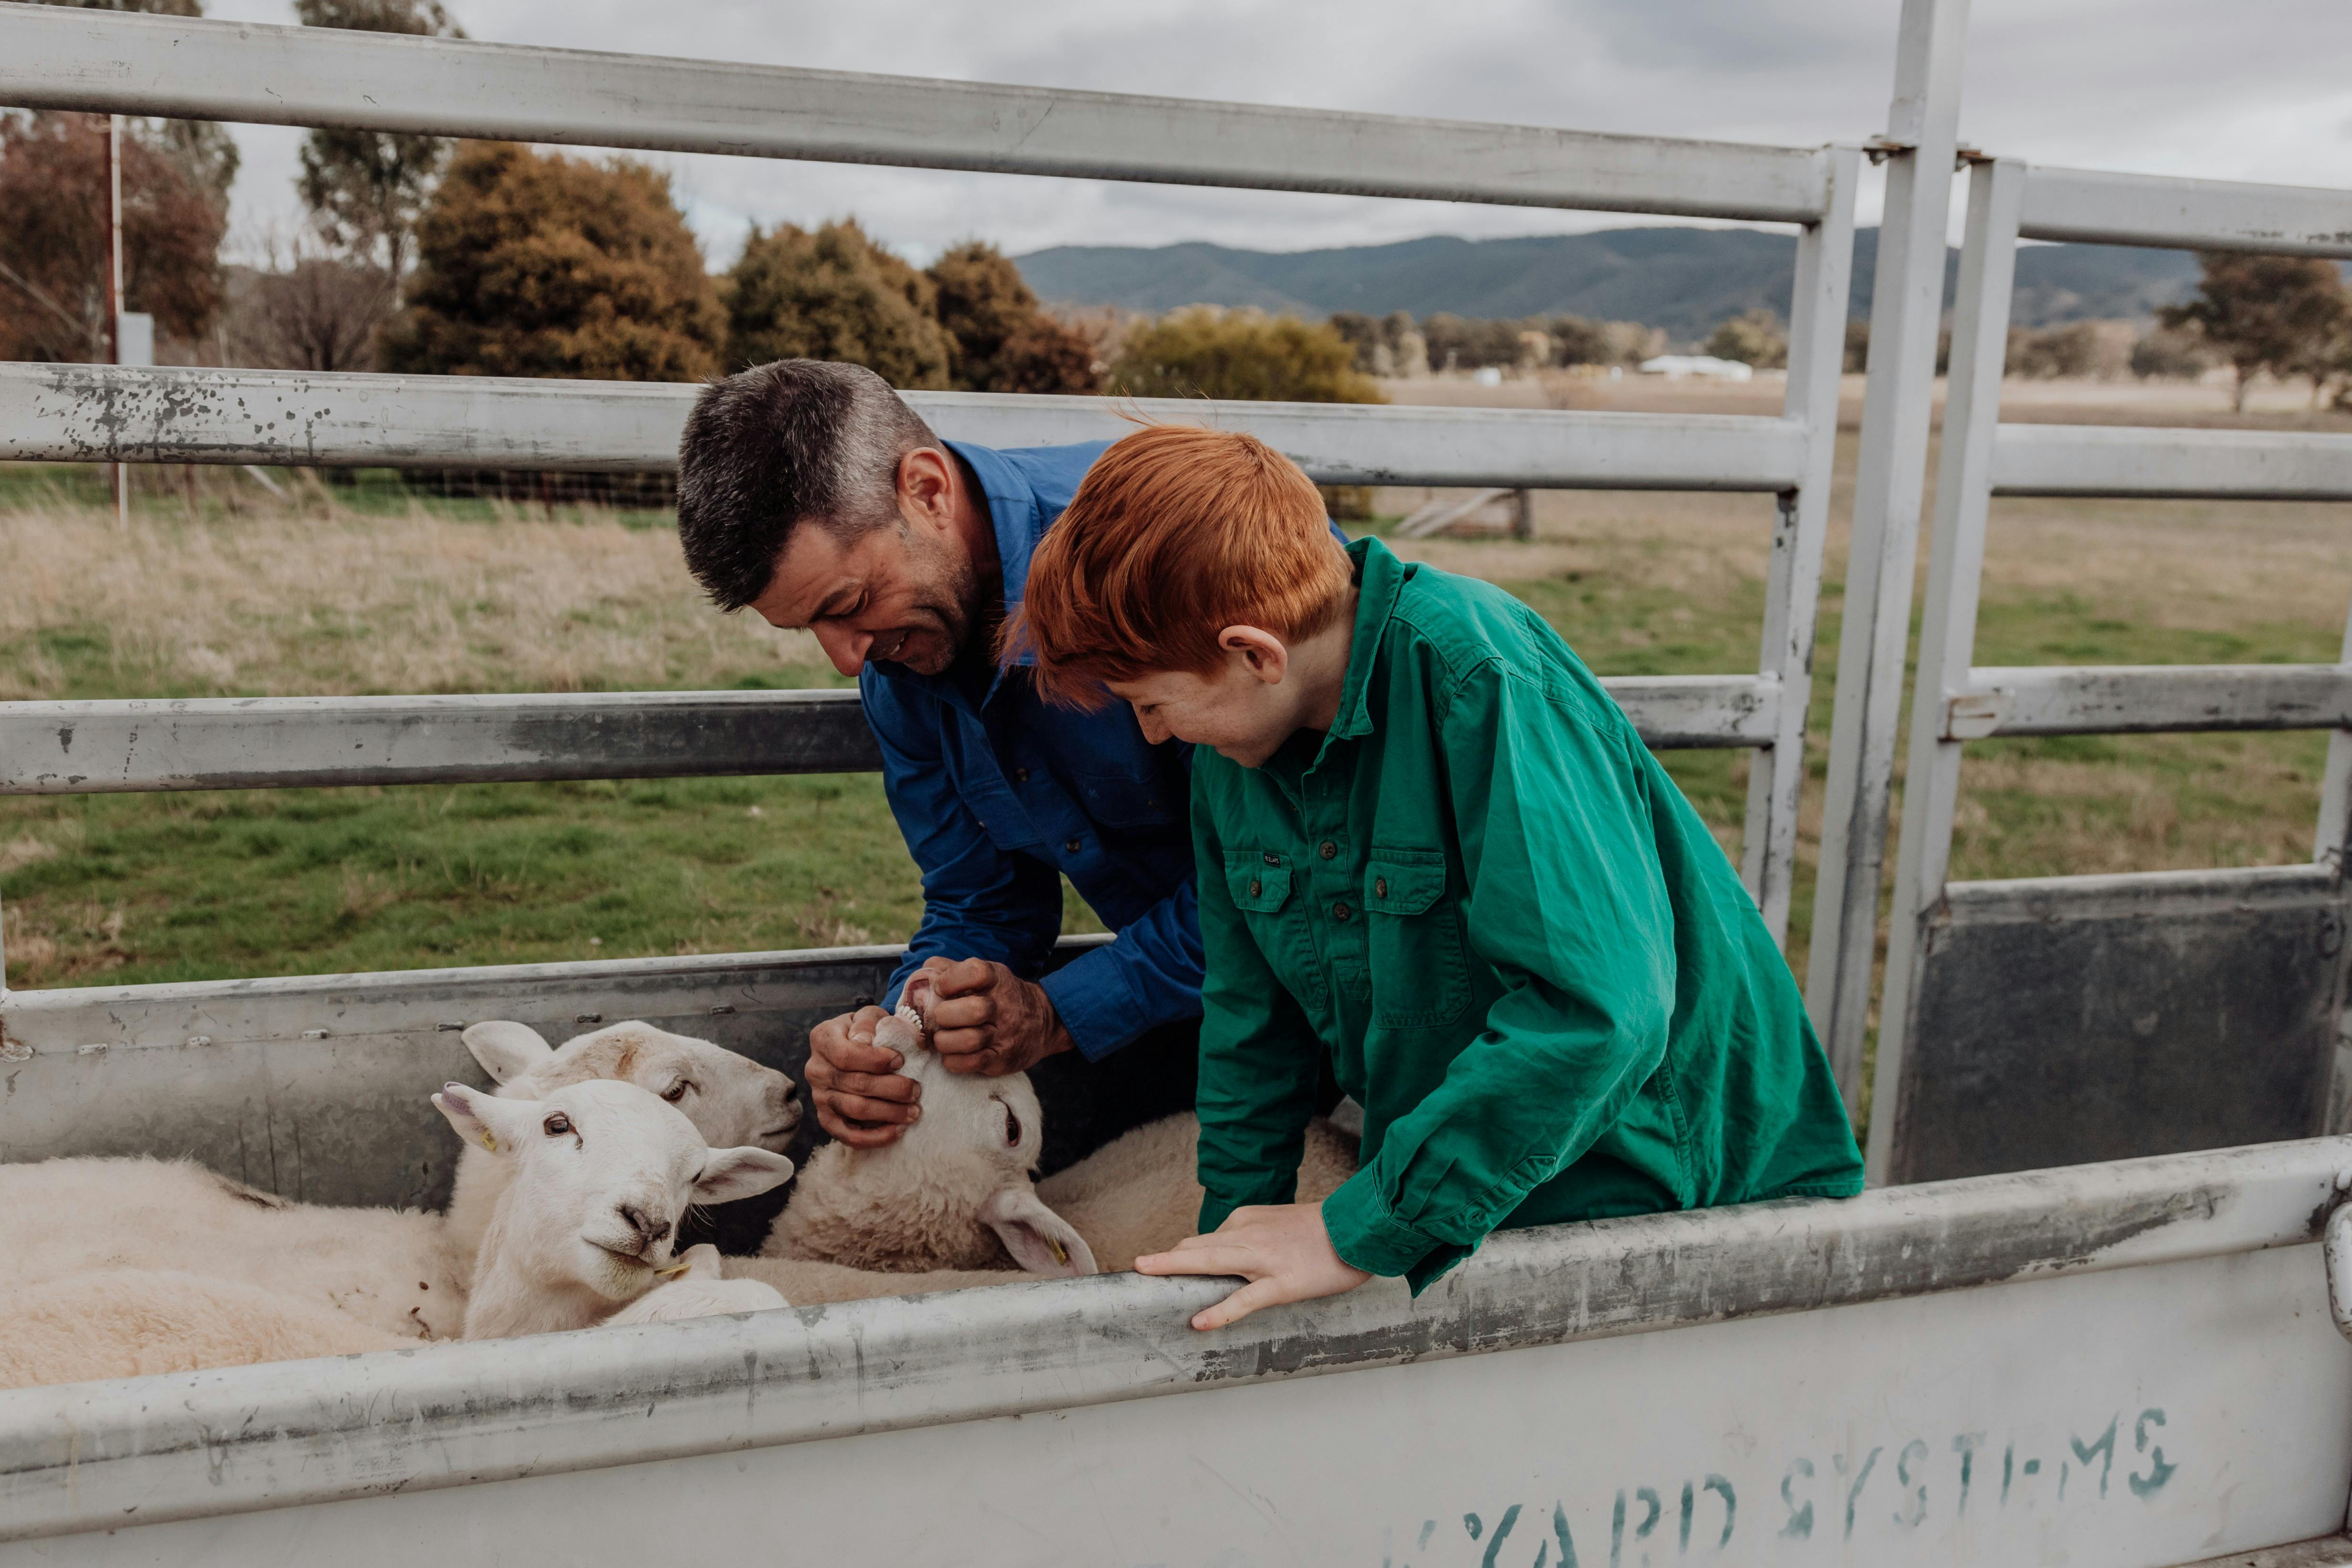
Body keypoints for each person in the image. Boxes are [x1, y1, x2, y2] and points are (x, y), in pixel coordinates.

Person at [1007, 423, 1865, 1329]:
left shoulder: (1477, 675)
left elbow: (1598, 1013)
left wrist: (1353, 1230)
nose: (1150, 734)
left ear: (1255, 653)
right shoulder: (1236, 757)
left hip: (1673, 1184)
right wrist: (1226, 1246)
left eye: (1150, 702)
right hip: (1481, 1188)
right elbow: (1254, 1023)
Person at [673, 360, 1213, 1172]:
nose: (845, 661)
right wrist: (901, 1030)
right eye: (805, 630)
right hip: (1232, 1024)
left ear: (926, 490)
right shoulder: (904, 665)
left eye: (849, 605)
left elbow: (1293, 870)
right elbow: (983, 899)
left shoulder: (1172, 554)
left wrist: (1058, 1013)